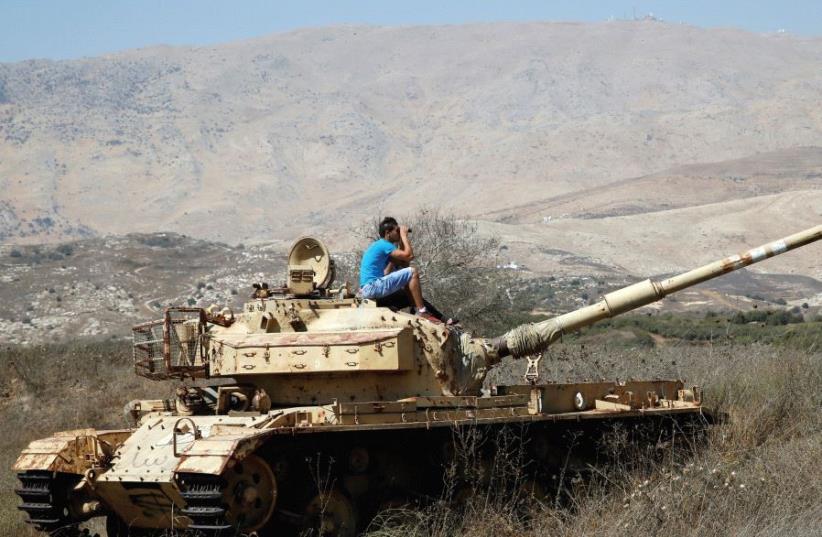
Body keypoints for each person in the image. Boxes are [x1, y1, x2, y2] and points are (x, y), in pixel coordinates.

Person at [358, 217, 441, 322]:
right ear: (388, 232)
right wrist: (404, 235)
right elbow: (409, 255)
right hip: (372, 287)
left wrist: (401, 240)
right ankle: (421, 311)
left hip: (370, 288)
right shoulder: (384, 244)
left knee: (407, 276)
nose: (398, 233)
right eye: (396, 231)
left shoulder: (379, 246)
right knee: (413, 271)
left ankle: (416, 309)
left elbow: (404, 263)